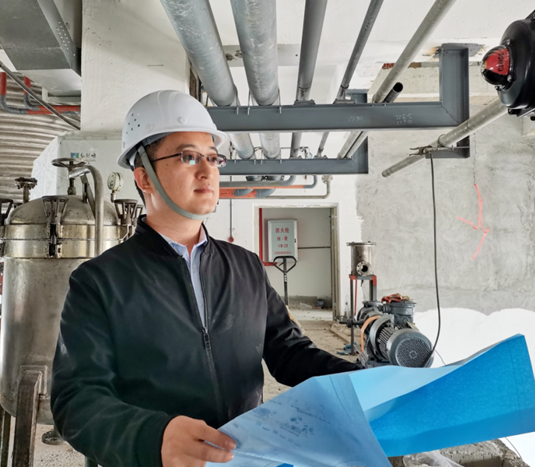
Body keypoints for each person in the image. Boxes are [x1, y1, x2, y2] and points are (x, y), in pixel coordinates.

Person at [51, 90, 359, 467]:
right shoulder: (100, 281)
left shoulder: (246, 266)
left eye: (213, 158)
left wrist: (362, 381)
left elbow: (289, 353)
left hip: (243, 458)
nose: (207, 171)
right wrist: (153, 437)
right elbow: (76, 401)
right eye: (188, 157)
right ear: (144, 177)